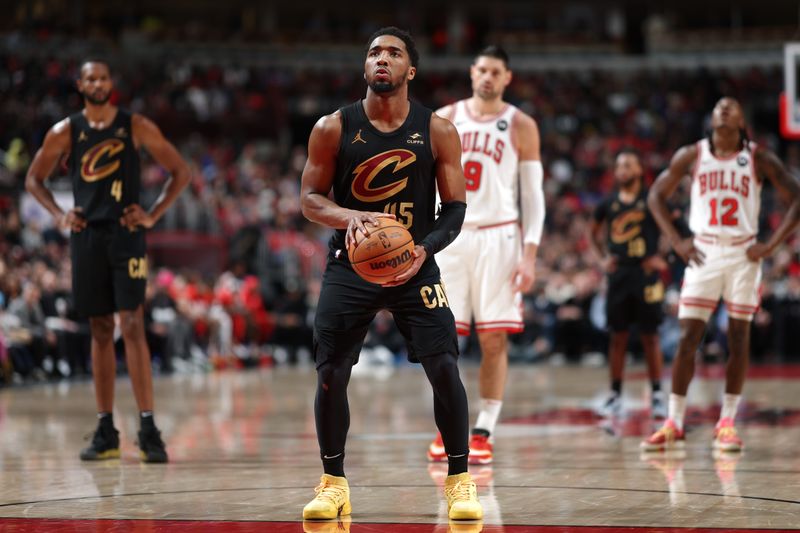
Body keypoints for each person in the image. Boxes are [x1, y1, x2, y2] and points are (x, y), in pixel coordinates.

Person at [299, 27, 482, 521]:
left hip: (414, 264)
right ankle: (333, 482)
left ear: (411, 70)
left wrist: (423, 250)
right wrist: (349, 217)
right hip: (351, 265)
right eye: (374, 52)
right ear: (365, 67)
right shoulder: (332, 128)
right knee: (331, 374)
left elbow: (456, 210)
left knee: (444, 367)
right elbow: (309, 199)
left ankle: (460, 481)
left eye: (394, 53)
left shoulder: (438, 129)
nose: (383, 59)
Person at [25, 59, 191, 463]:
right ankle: (106, 429)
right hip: (86, 237)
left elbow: (180, 172)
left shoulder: (135, 126)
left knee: (132, 322)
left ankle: (148, 426)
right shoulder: (65, 131)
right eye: (90, 77)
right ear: (80, 85)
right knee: (100, 328)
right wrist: (59, 214)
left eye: (103, 76)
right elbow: (34, 179)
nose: (98, 83)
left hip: (126, 233)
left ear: (110, 84)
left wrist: (151, 213)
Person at [643, 97, 800, 452]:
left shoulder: (758, 157)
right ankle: (673, 422)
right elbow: (655, 195)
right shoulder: (693, 154)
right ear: (710, 118)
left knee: (739, 339)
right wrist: (676, 240)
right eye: (718, 106)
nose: (724, 109)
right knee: (687, 339)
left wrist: (772, 245)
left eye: (732, 106)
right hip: (704, 251)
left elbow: (797, 197)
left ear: (743, 119)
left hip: (744, 253)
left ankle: (727, 421)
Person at [427, 45, 545, 465]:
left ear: (507, 77)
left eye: (496, 71)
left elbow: (533, 195)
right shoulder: (445, 118)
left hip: (499, 237)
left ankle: (483, 429)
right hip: (452, 235)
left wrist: (530, 254)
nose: (488, 77)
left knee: (493, 338)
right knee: (443, 337)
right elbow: (425, 181)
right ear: (471, 72)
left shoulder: (520, 123)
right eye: (482, 70)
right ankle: (449, 425)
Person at [590, 148, 666, 419]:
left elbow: (670, 228)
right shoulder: (608, 203)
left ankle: (657, 393)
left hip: (646, 274)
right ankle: (615, 393)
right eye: (619, 165)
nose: (622, 169)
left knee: (651, 336)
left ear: (639, 170)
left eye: (628, 164)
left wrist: (662, 256)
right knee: (618, 337)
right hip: (619, 274)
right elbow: (593, 233)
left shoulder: (652, 200)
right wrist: (601, 259)